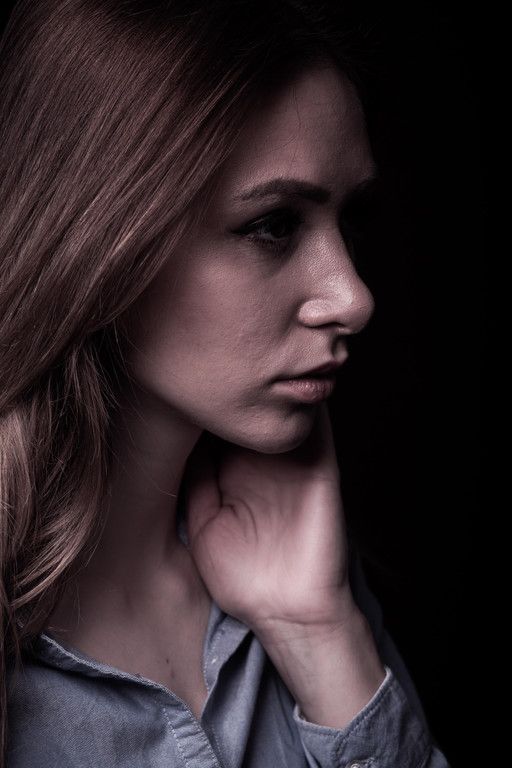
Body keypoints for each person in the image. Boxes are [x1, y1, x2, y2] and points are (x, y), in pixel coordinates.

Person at [0, 1, 451, 766]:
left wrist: (319, 637)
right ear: (100, 241)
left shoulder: (306, 578)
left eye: (349, 221)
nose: (353, 297)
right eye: (273, 225)